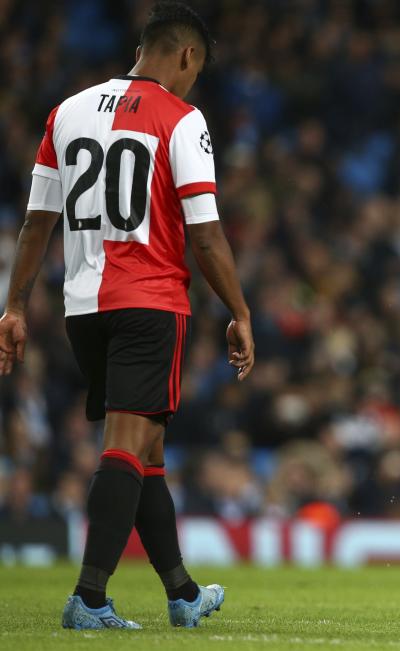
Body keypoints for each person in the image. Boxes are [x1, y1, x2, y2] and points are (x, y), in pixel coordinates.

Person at [0, 1, 254, 629]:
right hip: (148, 301)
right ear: (187, 56)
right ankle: (89, 597)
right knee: (125, 447)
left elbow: (36, 221)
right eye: (196, 69)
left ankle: (181, 592)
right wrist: (240, 310)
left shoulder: (67, 111)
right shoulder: (182, 118)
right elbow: (206, 233)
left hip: (81, 307)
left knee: (146, 451)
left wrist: (13, 305)